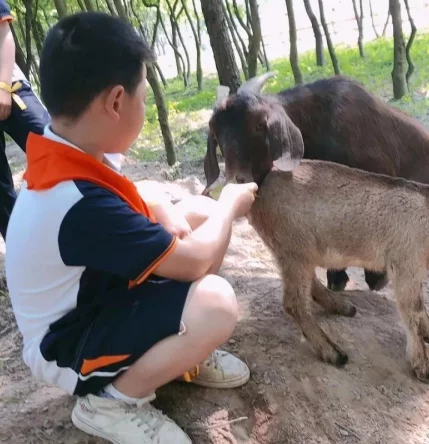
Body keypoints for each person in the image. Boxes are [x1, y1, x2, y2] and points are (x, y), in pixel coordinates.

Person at [5, 11, 258, 444]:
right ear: (116, 102)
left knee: (191, 212)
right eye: (143, 94)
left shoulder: (70, 147)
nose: (143, 102)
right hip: (67, 345)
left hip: (93, 299)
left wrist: (162, 204)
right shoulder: (74, 201)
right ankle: (111, 402)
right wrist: (230, 204)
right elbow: (195, 263)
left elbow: (131, 194)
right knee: (215, 303)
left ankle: (176, 357)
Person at [0, 0, 51, 240]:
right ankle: (24, 256)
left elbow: (4, 35)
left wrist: (3, 88)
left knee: (55, 146)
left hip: (9, 87)